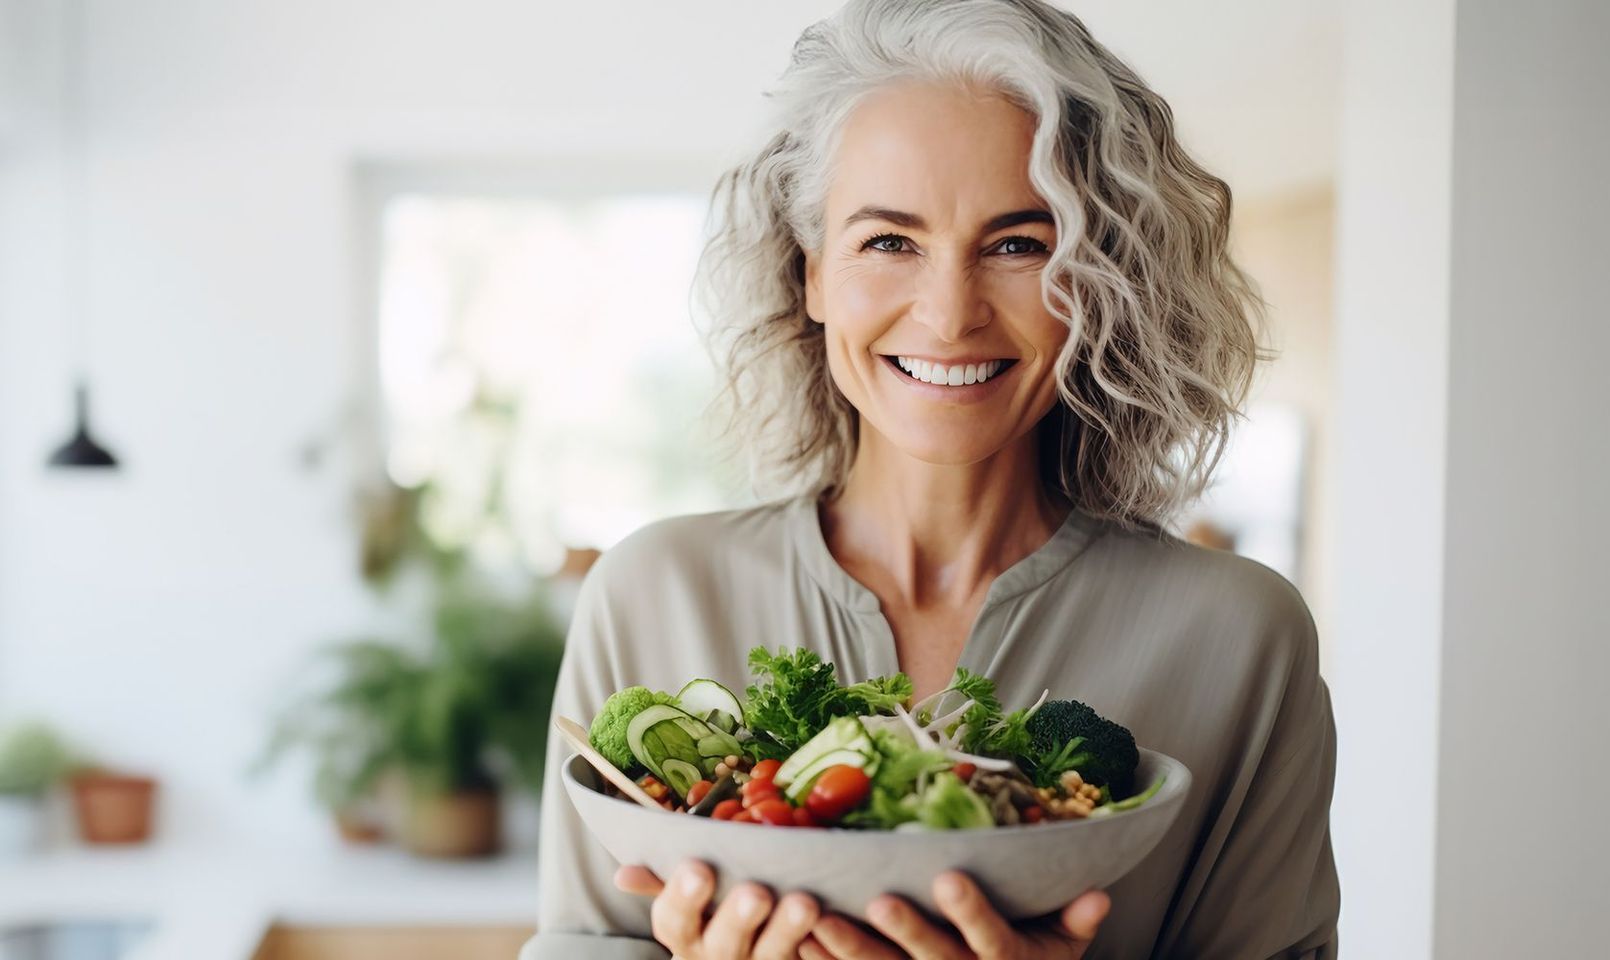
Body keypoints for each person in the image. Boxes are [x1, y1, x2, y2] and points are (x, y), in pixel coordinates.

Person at [520, 1, 1338, 957]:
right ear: (814, 273)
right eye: (889, 242)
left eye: (1019, 244)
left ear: (1099, 281)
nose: (950, 317)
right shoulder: (655, 592)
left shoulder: (1240, 637)